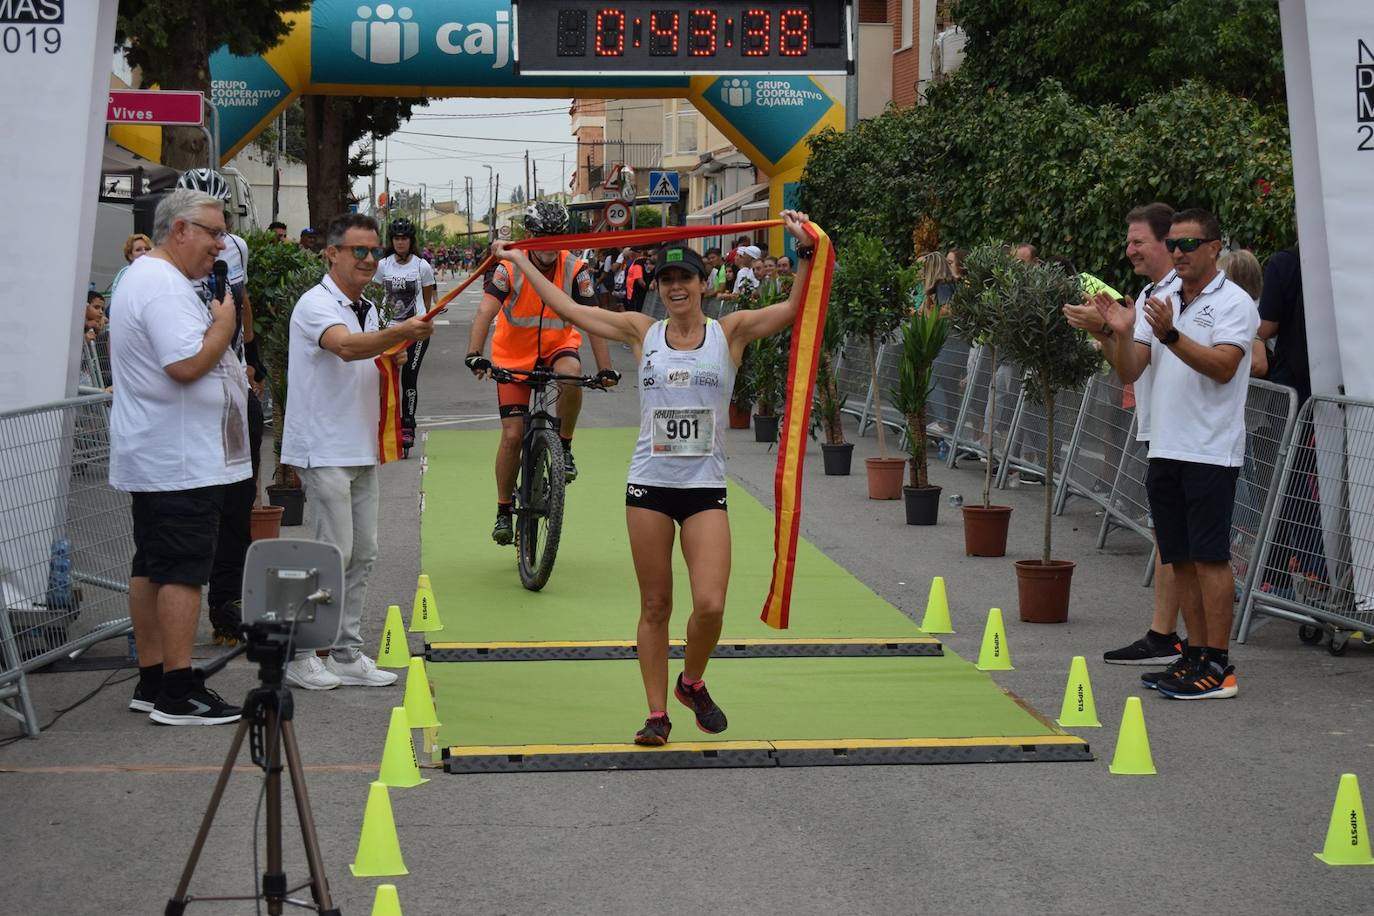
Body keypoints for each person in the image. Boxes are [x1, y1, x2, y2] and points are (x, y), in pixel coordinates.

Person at [491, 210, 817, 745]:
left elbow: (794, 307)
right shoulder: (642, 332)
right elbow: (568, 306)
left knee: (710, 604)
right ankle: (657, 714)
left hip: (704, 489)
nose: (675, 288)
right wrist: (523, 261)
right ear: (659, 289)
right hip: (648, 486)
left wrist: (804, 250)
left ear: (702, 283)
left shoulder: (728, 333)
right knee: (655, 604)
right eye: (666, 281)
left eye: (684, 278)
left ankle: (691, 680)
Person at [1092, 208, 1257, 699]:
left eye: (1190, 244)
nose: (1180, 253)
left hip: (1209, 448)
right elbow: (1130, 371)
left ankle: (1220, 665)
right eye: (1177, 244)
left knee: (1209, 559)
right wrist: (1114, 333)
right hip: (1164, 444)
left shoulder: (1234, 302)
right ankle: (1196, 655)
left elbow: (1224, 367)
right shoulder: (1160, 299)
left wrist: (1169, 335)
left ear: (1213, 248)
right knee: (1180, 558)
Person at [108, 187, 248, 726]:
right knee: (183, 571)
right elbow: (186, 364)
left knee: (153, 566)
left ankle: (154, 677)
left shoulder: (152, 278)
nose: (220, 243)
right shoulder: (163, 285)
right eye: (213, 232)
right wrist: (223, 328)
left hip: (162, 451)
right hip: (179, 456)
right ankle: (177, 688)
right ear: (180, 230)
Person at [280, 213, 434, 690]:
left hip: (360, 445)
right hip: (324, 448)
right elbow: (345, 349)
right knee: (332, 552)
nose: (370, 259)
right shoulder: (315, 304)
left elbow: (374, 352)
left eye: (374, 251)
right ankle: (300, 652)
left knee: (363, 552)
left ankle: (346, 651)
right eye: (358, 251)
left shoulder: (365, 306)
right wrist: (398, 336)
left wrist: (395, 347)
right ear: (332, 254)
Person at [1064, 202, 1184, 668]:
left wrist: (1112, 330)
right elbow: (1129, 368)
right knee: (1167, 536)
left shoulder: (1177, 294)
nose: (1129, 249)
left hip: (1183, 434)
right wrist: (1107, 332)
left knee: (1183, 542)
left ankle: (1183, 642)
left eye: (1138, 241)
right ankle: (1166, 634)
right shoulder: (1153, 291)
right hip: (1162, 429)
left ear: (1165, 242)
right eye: (1129, 241)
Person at [465, 201, 618, 545]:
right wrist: (474, 354)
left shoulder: (575, 268)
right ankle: (504, 510)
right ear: (529, 235)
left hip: (557, 346)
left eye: (556, 237)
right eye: (542, 237)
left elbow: (594, 323)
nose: (549, 244)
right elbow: (485, 311)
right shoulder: (509, 267)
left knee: (572, 372)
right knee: (512, 435)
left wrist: (606, 368)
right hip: (512, 355)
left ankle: (563, 447)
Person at [175, 169, 270, 648]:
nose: (217, 234)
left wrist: (253, 359)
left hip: (234, 378)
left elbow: (242, 300)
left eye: (221, 222)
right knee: (197, 498)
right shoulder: (163, 265)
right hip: (196, 384)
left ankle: (227, 603)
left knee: (241, 490)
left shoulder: (237, 248)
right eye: (206, 224)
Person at [376, 218, 437, 456]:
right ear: (392, 241)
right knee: (385, 379)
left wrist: (422, 324)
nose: (400, 242)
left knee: (409, 379)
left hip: (415, 333)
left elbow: (427, 300)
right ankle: (386, 425)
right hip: (388, 331)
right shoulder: (383, 265)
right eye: (397, 238)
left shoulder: (422, 266)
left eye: (404, 239)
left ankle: (408, 425)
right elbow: (375, 294)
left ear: (411, 241)